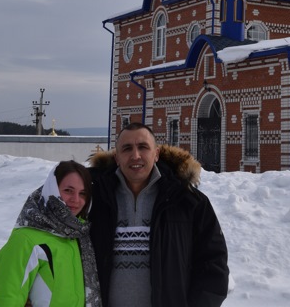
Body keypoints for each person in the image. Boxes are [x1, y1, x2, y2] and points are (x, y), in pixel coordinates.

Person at [88, 122, 229, 306]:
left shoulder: (188, 202)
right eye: (127, 148)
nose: (135, 155)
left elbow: (213, 265)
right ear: (117, 157)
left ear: (156, 154)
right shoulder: (94, 198)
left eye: (143, 147)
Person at [0, 160, 102, 306]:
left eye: (82, 193)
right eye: (68, 190)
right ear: (52, 189)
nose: (76, 200)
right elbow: (6, 299)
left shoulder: (80, 237)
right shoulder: (26, 240)